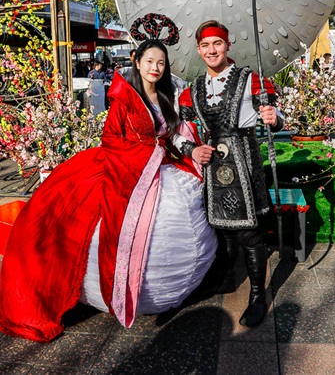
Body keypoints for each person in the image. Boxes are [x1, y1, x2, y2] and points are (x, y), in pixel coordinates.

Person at [0, 32, 217, 342]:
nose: (155, 67)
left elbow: (170, 136)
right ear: (137, 62)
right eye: (150, 61)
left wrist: (191, 150)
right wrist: (145, 155)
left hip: (160, 169)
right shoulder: (124, 96)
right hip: (124, 166)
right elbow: (111, 138)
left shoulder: (166, 97)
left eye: (161, 63)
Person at [179, 20, 283, 328]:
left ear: (227, 46)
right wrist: (191, 149)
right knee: (221, 228)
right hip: (214, 164)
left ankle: (257, 296)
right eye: (206, 45)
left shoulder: (250, 79)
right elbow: (177, 129)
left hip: (244, 158)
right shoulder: (193, 89)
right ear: (199, 50)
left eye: (217, 44)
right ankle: (224, 279)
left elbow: (278, 118)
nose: (212, 50)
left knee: (248, 231)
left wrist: (273, 117)